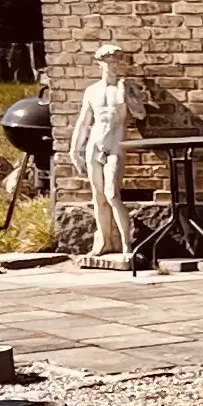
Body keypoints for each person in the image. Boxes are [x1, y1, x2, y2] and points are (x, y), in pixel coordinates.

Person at [65, 44, 140, 261]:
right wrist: (74, 149)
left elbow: (141, 114)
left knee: (113, 195)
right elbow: (83, 122)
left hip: (116, 143)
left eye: (116, 61)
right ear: (100, 63)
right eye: (108, 61)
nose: (113, 65)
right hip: (95, 144)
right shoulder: (92, 91)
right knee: (98, 197)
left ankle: (127, 246)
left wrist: (130, 97)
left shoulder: (124, 88)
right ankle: (105, 242)